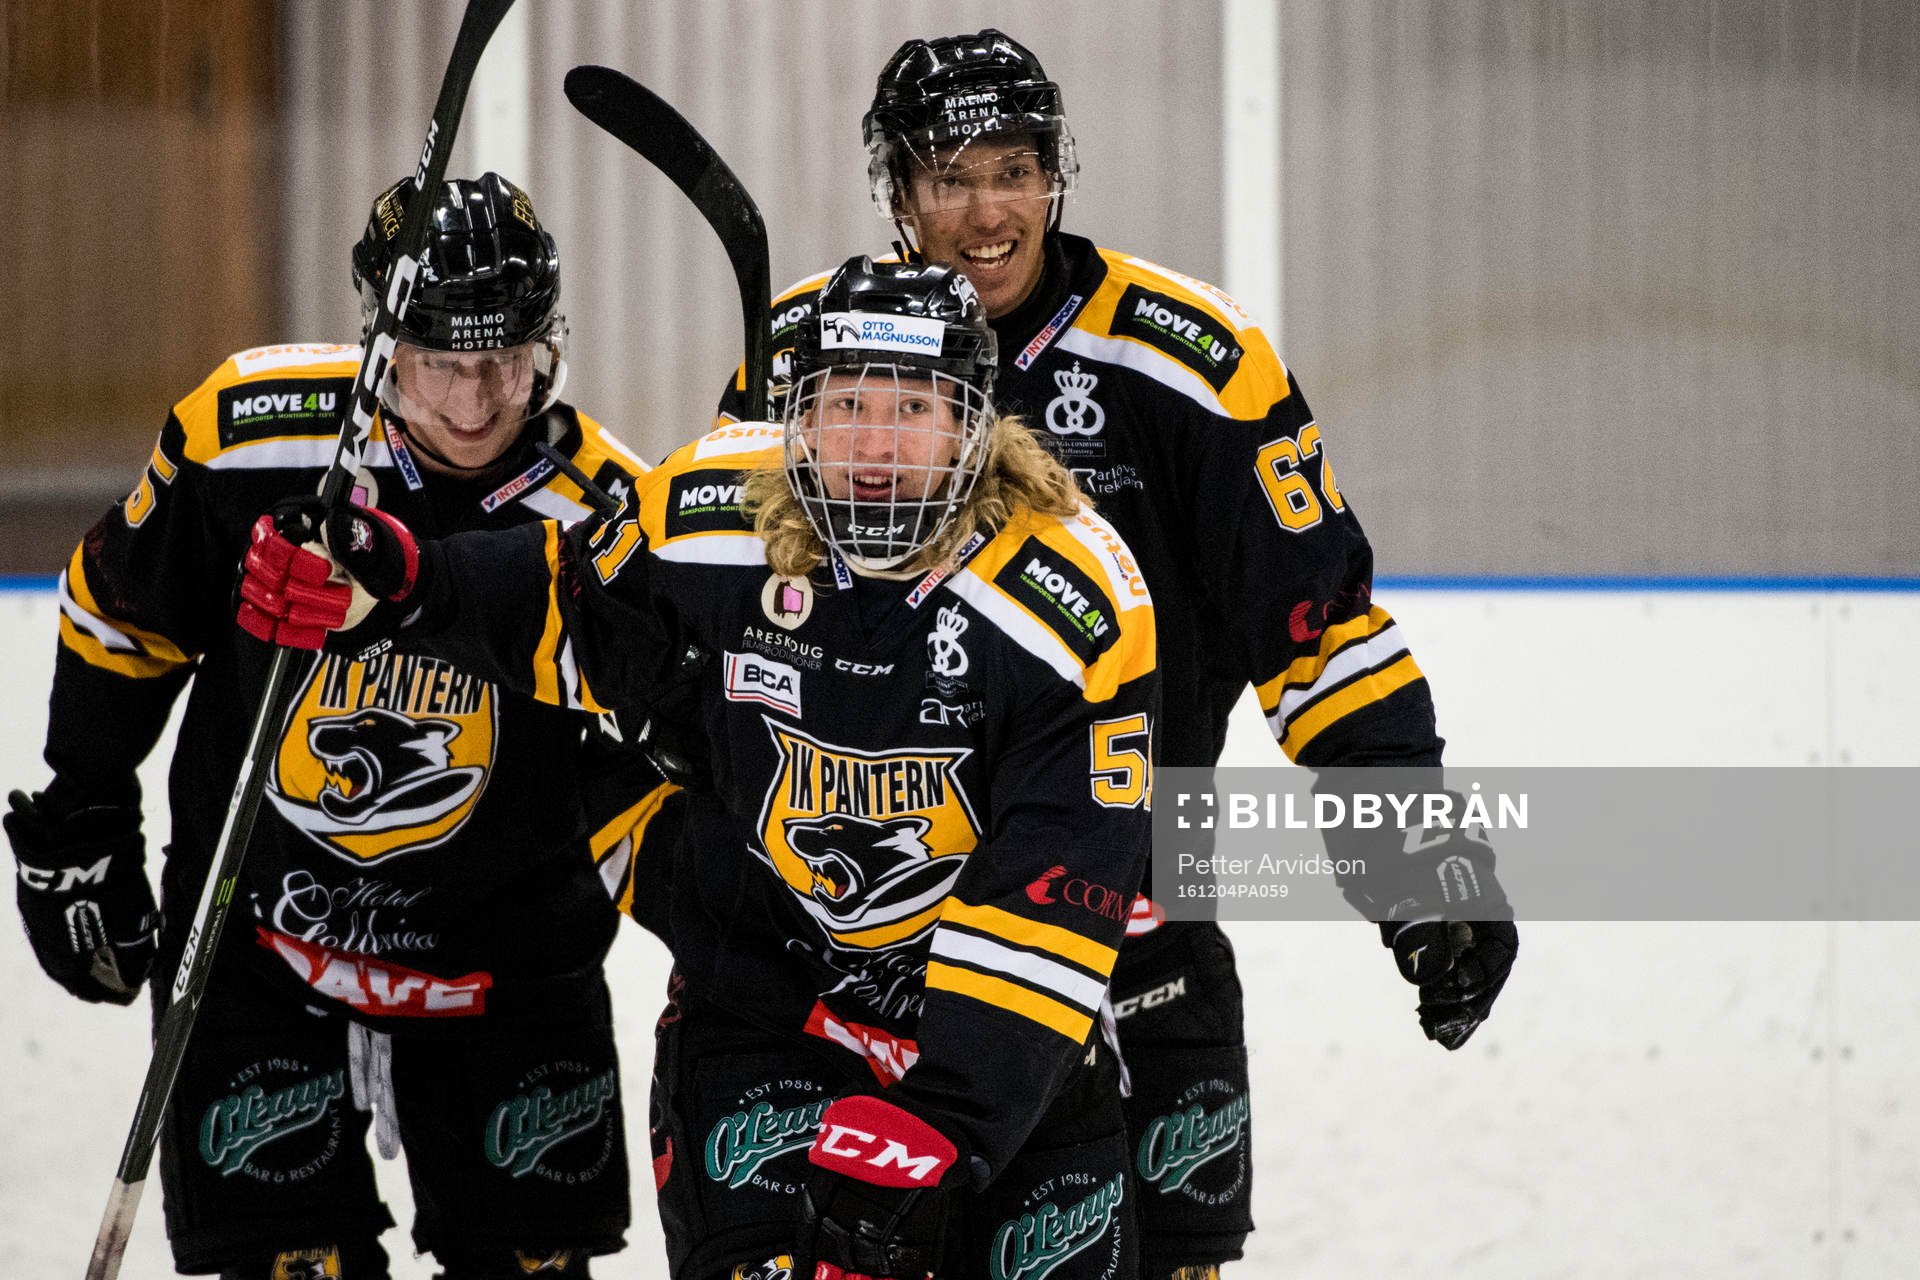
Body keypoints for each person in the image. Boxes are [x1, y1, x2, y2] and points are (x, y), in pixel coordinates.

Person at [706, 31, 1521, 1279]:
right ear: (895, 190)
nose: (987, 212)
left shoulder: (1185, 357)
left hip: (1134, 922)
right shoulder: (817, 353)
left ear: (1056, 174)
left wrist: (1417, 858)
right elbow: (724, 613)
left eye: (1014, 169)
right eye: (948, 176)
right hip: (872, 952)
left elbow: (1318, 631)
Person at [237, 257, 1160, 1280]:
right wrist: (399, 580)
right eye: (845, 404)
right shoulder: (707, 516)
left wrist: (944, 1115)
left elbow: (1055, 890)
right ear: (797, 418)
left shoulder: (1070, 603)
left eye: (915, 408)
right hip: (772, 1014)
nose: (875, 447)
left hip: (994, 1055)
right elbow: (565, 606)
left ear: (978, 424)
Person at [7, 173, 660, 1279]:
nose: (473, 401)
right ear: (380, 339)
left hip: (507, 971)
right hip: (259, 938)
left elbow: (658, 746)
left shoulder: (606, 508)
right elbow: (121, 619)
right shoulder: (251, 441)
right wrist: (83, 815)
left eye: (505, 361)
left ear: (548, 347)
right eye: (441, 360)